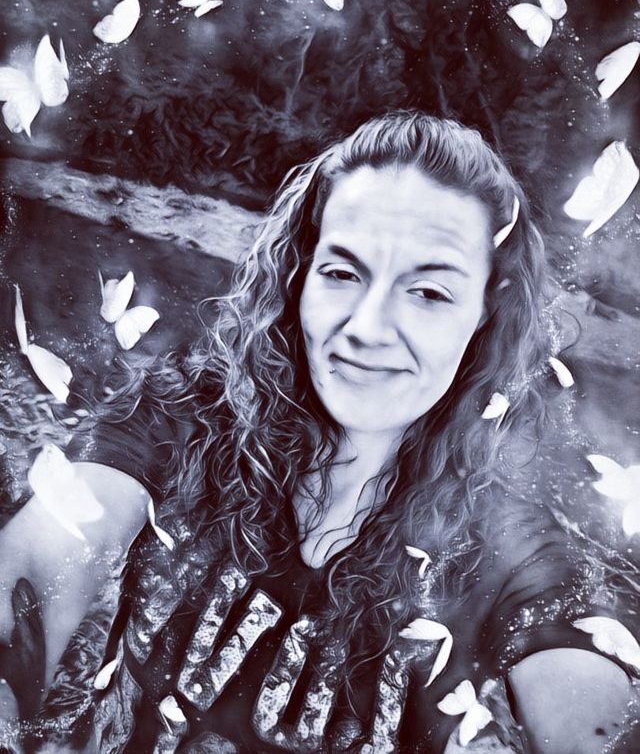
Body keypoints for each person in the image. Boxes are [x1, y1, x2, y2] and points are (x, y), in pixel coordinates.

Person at [0, 111, 634, 753]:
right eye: (342, 273)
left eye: (429, 292)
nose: (367, 328)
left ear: (485, 311)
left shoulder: (506, 550)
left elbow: (593, 709)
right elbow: (39, 563)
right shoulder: (186, 419)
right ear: (301, 274)